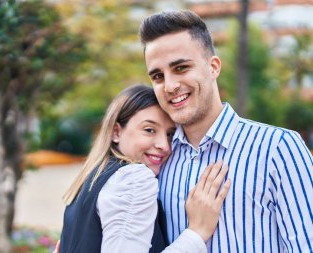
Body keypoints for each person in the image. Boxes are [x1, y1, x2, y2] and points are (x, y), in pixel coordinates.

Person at [139, 10, 313, 253]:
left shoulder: (279, 149)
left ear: (213, 67)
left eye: (181, 68)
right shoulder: (158, 161)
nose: (169, 86)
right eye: (158, 76)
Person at [56, 84, 231, 253]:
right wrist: (196, 233)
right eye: (149, 130)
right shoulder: (134, 178)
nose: (165, 145)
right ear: (116, 132)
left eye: (170, 134)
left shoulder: (91, 178)